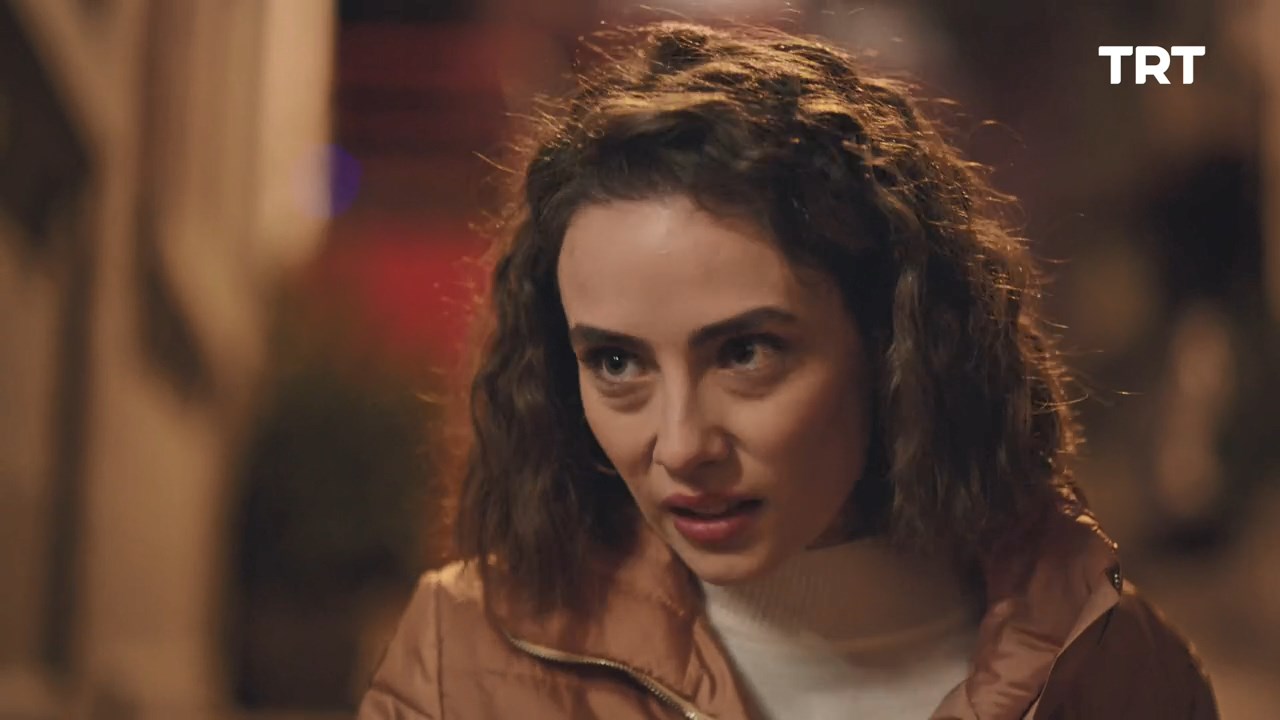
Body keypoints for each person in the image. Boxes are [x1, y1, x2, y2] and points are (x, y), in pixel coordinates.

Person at [358, 22, 1218, 720]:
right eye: (616, 362)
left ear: (894, 345)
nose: (681, 445)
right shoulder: (462, 661)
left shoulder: (1110, 667)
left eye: (745, 353)